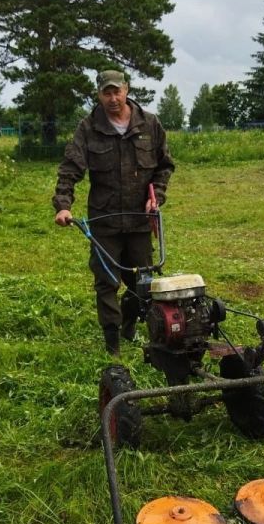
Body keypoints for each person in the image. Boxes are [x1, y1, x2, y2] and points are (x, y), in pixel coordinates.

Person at [53, 70, 175, 354]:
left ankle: (130, 322)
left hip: (139, 220)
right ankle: (112, 344)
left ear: (126, 90)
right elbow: (70, 169)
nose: (112, 98)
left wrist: (157, 194)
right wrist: (63, 206)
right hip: (104, 221)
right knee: (107, 282)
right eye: (106, 93)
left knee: (142, 284)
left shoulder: (150, 124)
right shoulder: (88, 128)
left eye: (117, 91)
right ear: (99, 95)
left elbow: (164, 166)